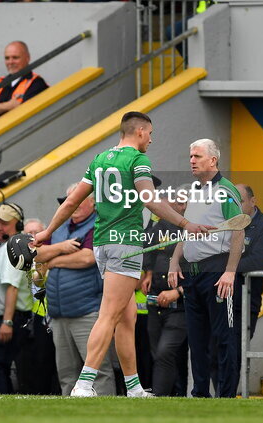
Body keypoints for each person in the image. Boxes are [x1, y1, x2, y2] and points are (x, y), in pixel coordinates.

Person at [35, 111, 210, 397]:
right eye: (150, 134)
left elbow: (70, 203)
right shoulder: (138, 160)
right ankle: (84, 384)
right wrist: (186, 223)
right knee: (109, 315)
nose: (151, 140)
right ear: (139, 131)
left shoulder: (99, 159)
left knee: (126, 317)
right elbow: (150, 201)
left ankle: (134, 387)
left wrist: (47, 232)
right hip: (125, 244)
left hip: (104, 243)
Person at [162, 139, 243, 399]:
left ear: (213, 160)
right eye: (190, 156)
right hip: (193, 274)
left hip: (217, 272)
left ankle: (227, 396)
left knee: (223, 339)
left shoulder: (226, 190)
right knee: (196, 341)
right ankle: (199, 394)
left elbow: (238, 230)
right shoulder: (195, 190)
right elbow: (188, 231)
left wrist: (230, 272)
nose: (192, 161)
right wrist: (175, 261)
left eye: (197, 156)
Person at [34, 186, 114, 395]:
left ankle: (106, 414)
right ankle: (69, 417)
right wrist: (61, 248)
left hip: (87, 309)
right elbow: (37, 254)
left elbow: (87, 258)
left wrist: (53, 261)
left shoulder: (98, 223)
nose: (73, 205)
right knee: (67, 372)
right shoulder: (59, 227)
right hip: (59, 312)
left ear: (92, 202)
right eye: (69, 200)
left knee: (97, 370)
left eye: (79, 199)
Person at [0, 202, 34, 393]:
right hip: (3, 319)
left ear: (18, 225)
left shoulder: (14, 248)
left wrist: (7, 322)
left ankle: (4, 407)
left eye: (4, 223)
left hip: (9, 319)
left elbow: (12, 288)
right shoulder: (5, 247)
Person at [139, 185, 187, 396]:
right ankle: (172, 396)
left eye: (185, 203)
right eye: (177, 202)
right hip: (155, 300)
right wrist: (148, 272)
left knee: (167, 352)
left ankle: (162, 396)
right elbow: (147, 246)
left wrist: (179, 291)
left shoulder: (197, 229)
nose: (181, 207)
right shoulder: (163, 225)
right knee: (157, 353)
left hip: (182, 304)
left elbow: (203, 267)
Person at [234, 183, 263, 340]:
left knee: (237, 351)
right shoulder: (224, 223)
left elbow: (259, 262)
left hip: (245, 299)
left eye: (241, 201)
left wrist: (224, 266)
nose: (236, 206)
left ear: (253, 201)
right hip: (220, 300)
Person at [0, 41, 49, 122]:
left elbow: (26, 115)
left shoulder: (36, 83)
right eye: (7, 58)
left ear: (27, 58)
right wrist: (8, 106)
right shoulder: (1, 83)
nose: (10, 62)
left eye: (15, 57)